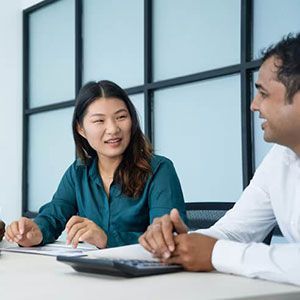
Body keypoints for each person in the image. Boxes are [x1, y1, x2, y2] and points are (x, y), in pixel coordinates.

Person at [139, 33, 300, 286]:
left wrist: (216, 253)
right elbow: (234, 231)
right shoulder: (281, 157)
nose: (254, 105)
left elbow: (221, 249)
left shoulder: (159, 167)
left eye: (264, 94)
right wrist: (180, 243)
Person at [5, 80, 186, 248]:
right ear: (81, 129)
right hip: (91, 275)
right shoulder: (78, 172)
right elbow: (54, 214)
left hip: (147, 278)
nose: (113, 129)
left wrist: (106, 239)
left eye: (121, 117)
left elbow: (168, 239)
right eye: (99, 120)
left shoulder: (160, 170)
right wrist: (36, 231)